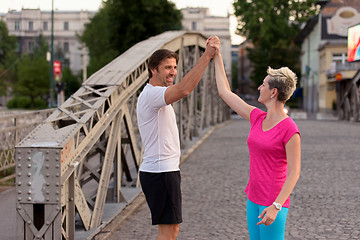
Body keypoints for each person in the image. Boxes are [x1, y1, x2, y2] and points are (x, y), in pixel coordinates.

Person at [213, 41, 301, 240]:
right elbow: (225, 93)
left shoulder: (290, 129)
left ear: (273, 92)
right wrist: (217, 56)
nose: (259, 87)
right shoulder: (257, 117)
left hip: (273, 202)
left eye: (263, 84)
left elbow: (294, 172)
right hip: (253, 197)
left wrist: (276, 206)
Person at [136, 36, 219, 240]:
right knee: (169, 232)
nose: (172, 72)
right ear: (153, 69)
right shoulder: (152, 95)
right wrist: (207, 55)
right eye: (167, 67)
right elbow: (184, 89)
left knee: (171, 231)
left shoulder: (154, 94)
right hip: (161, 171)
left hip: (163, 170)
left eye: (174, 67)